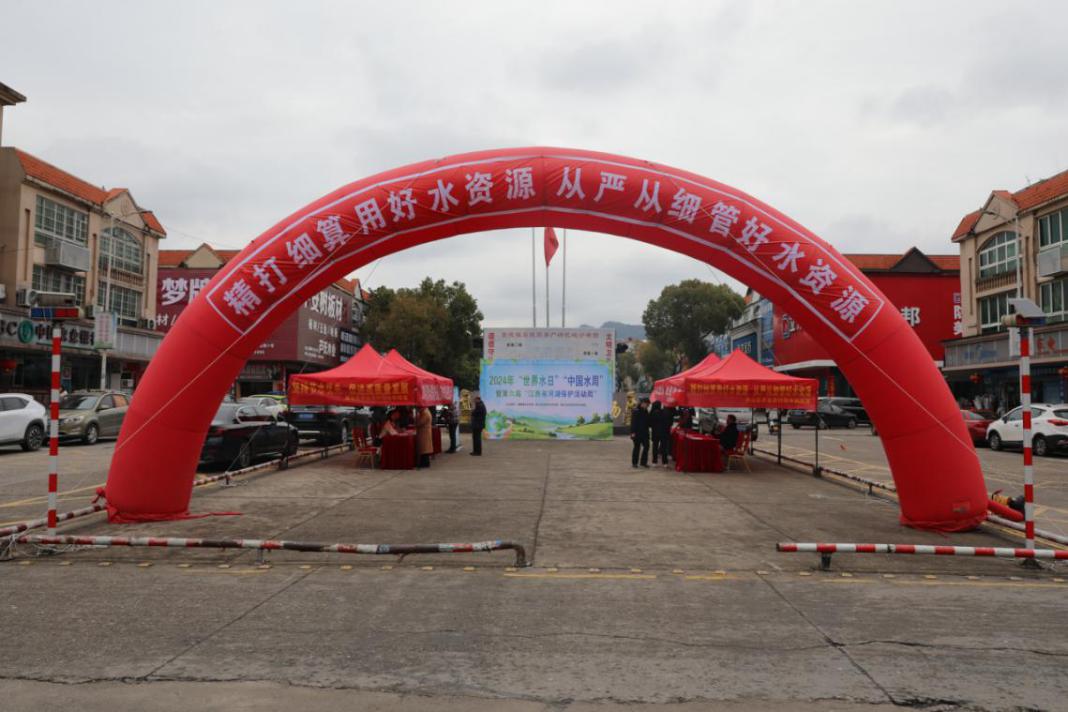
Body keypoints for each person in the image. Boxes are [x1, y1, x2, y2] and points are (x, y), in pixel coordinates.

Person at [630, 397, 650, 468]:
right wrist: (632, 432)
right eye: (647, 404)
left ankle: (643, 462)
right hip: (637, 433)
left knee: (647, 446)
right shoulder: (636, 410)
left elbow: (647, 422)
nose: (648, 405)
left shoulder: (646, 411)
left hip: (645, 433)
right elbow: (633, 423)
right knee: (637, 448)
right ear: (642, 403)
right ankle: (634, 463)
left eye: (648, 404)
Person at [650, 401, 671, 467]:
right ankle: (665, 462)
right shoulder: (665, 412)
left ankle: (654, 461)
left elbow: (650, 424)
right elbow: (668, 423)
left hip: (655, 433)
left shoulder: (652, 413)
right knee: (664, 448)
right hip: (664, 433)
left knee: (655, 447)